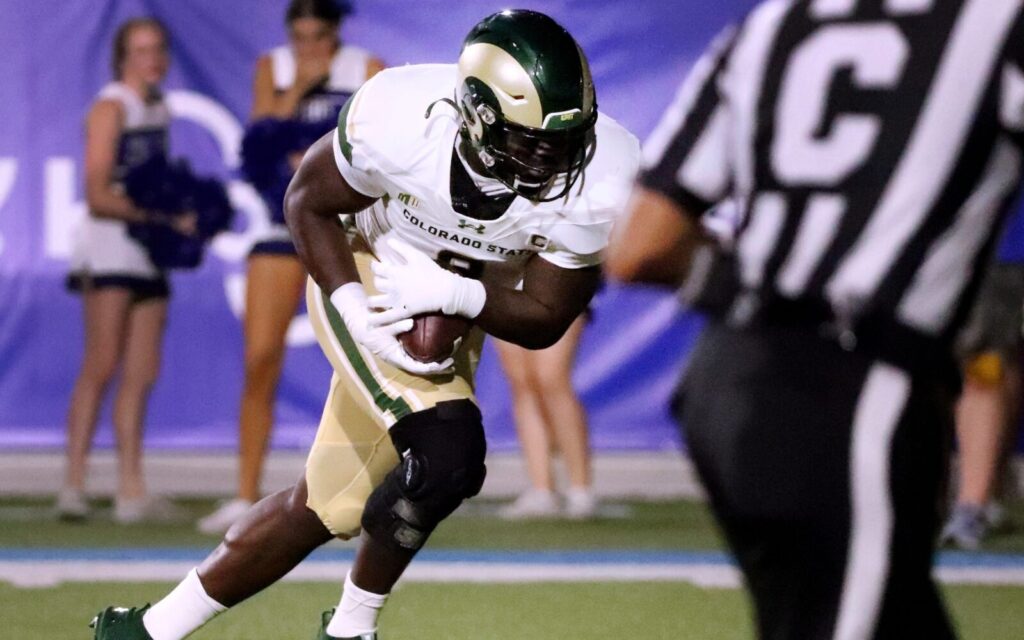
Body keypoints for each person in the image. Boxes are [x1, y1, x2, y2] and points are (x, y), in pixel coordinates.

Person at [90, 10, 638, 640]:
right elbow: (307, 202)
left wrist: (458, 292)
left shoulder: (604, 173)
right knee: (448, 451)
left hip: (460, 297)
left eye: (568, 138)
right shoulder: (401, 119)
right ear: (478, 115)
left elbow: (545, 317)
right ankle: (351, 631)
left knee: (328, 504)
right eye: (532, 140)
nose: (555, 157)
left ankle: (144, 631)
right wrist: (351, 304)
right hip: (370, 269)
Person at [607, 1, 1024, 638]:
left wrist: (764, 293)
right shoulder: (995, 25)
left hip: (724, 380)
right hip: (856, 387)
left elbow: (640, 246)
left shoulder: (770, 26)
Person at [198, 0, 385, 536]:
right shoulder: (273, 69)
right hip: (279, 230)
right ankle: (243, 492)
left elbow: (376, 147)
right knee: (259, 358)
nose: (309, 47)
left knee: (368, 365)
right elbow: (259, 140)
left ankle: (372, 496)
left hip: (346, 232)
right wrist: (298, 86)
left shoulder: (366, 68)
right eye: (299, 36)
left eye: (318, 36)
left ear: (336, 30)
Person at [59, 18, 192, 525]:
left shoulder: (158, 108)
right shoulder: (111, 106)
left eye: (158, 48)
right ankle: (73, 484)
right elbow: (97, 193)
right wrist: (157, 216)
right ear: (122, 58)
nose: (151, 59)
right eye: (140, 50)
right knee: (102, 363)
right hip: (110, 249)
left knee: (143, 371)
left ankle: (130, 489)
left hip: (148, 251)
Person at [941, 253, 1024, 549]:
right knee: (994, 353)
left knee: (982, 356)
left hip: (999, 232)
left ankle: (972, 505)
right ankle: (982, 496)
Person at [494, 317, 597, 520]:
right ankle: (542, 490)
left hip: (556, 287)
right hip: (506, 287)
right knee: (521, 381)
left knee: (551, 377)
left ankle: (580, 489)